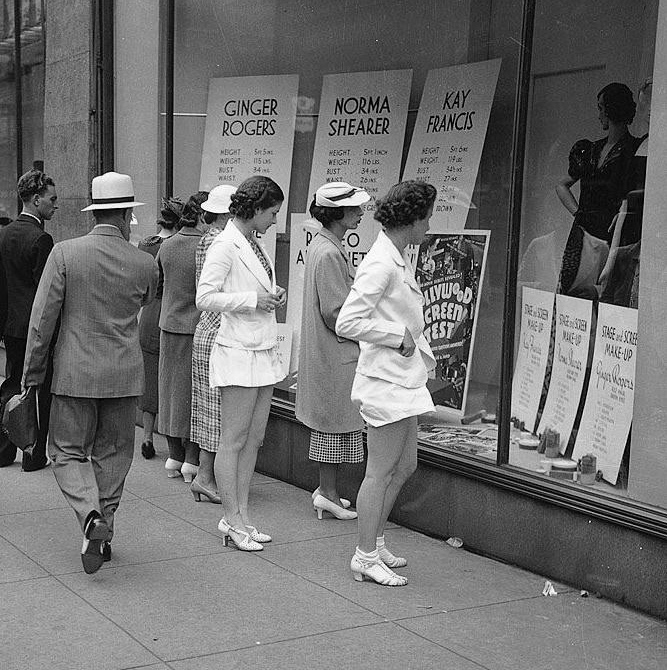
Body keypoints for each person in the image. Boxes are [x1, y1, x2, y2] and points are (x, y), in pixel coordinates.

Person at [22, 171, 158, 574]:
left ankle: (89, 516)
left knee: (64, 451)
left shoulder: (65, 253)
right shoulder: (144, 263)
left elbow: (42, 320)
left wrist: (32, 373)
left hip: (74, 373)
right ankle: (103, 530)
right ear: (127, 213)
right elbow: (148, 299)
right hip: (124, 374)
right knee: (114, 454)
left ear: (94, 212)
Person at [336, 180, 437, 587]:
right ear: (412, 220)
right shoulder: (381, 262)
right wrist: (397, 336)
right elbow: (348, 321)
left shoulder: (394, 255)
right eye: (426, 217)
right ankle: (363, 555)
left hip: (402, 379)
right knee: (378, 472)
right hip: (386, 381)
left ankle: (375, 542)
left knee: (405, 465)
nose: (429, 225)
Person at [196, 176, 286, 551]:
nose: (274, 220)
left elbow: (252, 289)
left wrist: (270, 294)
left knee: (254, 439)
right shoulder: (225, 244)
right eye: (272, 213)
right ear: (255, 209)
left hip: (261, 348)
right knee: (232, 440)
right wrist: (252, 300)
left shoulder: (250, 242)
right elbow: (204, 297)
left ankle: (242, 516)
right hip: (237, 350)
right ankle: (231, 519)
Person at [295, 182, 370, 521]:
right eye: (354, 209)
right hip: (335, 352)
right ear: (338, 214)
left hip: (329, 352)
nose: (360, 213)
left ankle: (328, 491)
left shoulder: (324, 246)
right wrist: (369, 330)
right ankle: (327, 491)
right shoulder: (328, 252)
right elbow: (334, 312)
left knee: (332, 425)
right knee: (333, 427)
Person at [555, 82, 643, 298]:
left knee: (606, 295)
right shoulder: (589, 150)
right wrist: (578, 213)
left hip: (614, 238)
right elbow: (561, 185)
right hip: (583, 235)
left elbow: (633, 197)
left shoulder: (634, 151)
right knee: (573, 295)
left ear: (612, 109)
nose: (599, 115)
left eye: (601, 108)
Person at [0, 169, 58, 471]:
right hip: (35, 329)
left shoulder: (4, 234)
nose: (55, 204)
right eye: (52, 199)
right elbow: (45, 294)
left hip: (10, 326)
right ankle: (33, 454)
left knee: (11, 383)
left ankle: (4, 449)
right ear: (36, 200)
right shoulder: (42, 239)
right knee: (39, 390)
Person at [190, 184, 236, 504]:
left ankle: (205, 476)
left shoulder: (206, 240)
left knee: (209, 411)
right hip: (219, 334)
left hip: (206, 331)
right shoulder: (220, 243)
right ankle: (207, 477)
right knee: (217, 413)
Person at [156, 194, 205, 481]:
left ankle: (173, 454)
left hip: (168, 324)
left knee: (169, 391)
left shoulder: (167, 246)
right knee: (193, 394)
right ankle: (191, 458)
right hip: (195, 327)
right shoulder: (205, 247)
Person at [137, 197, 183, 459]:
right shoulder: (174, 247)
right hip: (169, 311)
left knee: (150, 377)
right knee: (171, 379)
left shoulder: (146, 244)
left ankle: (146, 436)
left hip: (148, 313)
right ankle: (174, 443)